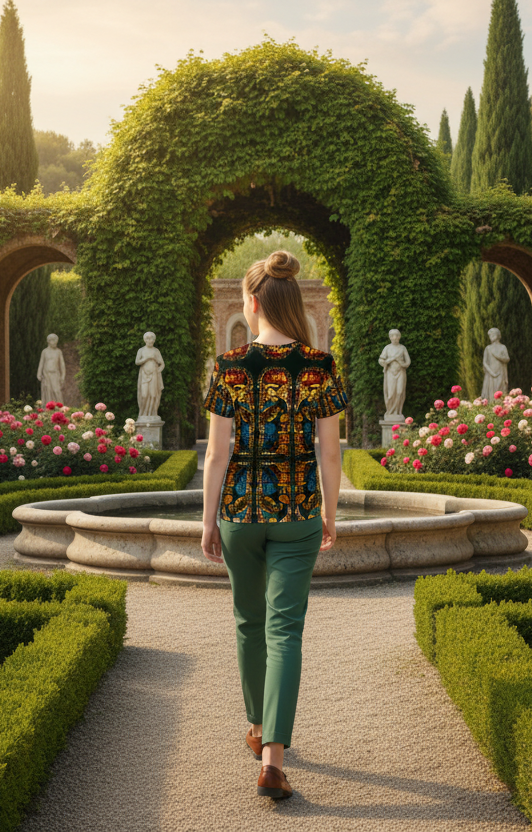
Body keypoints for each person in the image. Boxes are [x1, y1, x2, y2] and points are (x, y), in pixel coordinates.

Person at [201, 250, 346, 801]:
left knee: (248, 621)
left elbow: (217, 454)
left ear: (253, 302)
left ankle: (259, 726)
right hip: (299, 511)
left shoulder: (230, 366)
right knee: (285, 630)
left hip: (240, 511)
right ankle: (273, 759)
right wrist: (331, 513)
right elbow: (329, 454)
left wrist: (208, 519)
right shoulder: (319, 364)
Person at [378, 329, 410, 417]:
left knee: (400, 392)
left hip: (401, 372)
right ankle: (390, 411)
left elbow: (408, 362)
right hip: (390, 373)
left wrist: (401, 363)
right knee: (391, 393)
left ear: (399, 337)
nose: (395, 337)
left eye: (396, 335)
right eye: (392, 336)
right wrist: (390, 360)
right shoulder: (387, 348)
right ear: (390, 337)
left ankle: (397, 412)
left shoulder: (403, 348)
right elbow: (381, 360)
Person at [135, 331, 165, 418]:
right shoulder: (141, 350)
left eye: (151, 338)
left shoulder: (156, 351)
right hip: (144, 375)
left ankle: (153, 413)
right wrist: (147, 358)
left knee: (153, 395)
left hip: (154, 375)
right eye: (148, 338)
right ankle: (143, 413)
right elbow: (137, 362)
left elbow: (162, 364)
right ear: (145, 340)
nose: (150, 340)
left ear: (154, 340)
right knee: (144, 395)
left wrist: (158, 371)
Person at [480, 328, 510, 401]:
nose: (491, 336)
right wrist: (491, 372)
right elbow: (485, 362)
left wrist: (498, 356)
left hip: (500, 373)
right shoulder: (488, 348)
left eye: (492, 334)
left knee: (500, 393)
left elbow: (507, 359)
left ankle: (500, 409)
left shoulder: (503, 347)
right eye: (490, 335)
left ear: (497, 335)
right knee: (491, 394)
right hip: (491, 375)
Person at [36, 333, 66, 406]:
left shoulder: (58, 352)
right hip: (46, 375)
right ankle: (47, 410)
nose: (55, 342)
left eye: (56, 341)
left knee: (57, 391)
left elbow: (62, 365)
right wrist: (39, 374)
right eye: (53, 340)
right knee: (47, 392)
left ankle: (60, 409)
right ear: (49, 341)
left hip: (55, 375)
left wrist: (63, 376)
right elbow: (41, 363)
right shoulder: (45, 351)